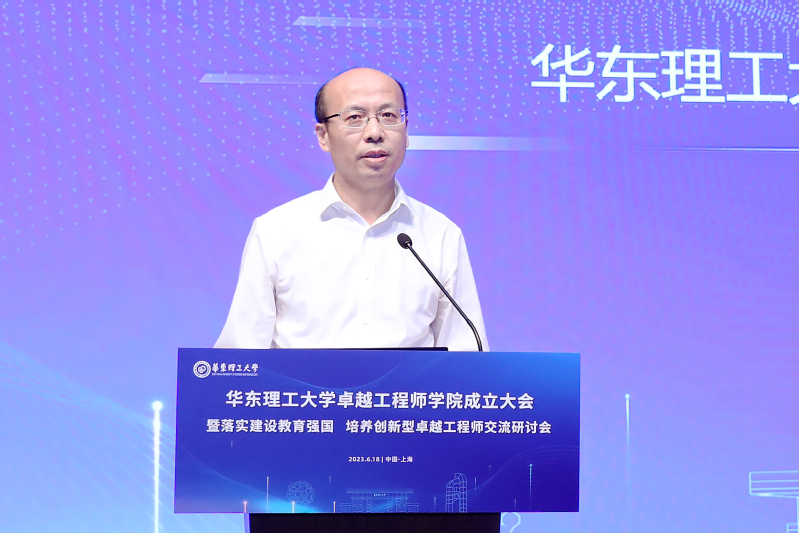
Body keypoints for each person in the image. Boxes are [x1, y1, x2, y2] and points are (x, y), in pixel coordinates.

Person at [214, 67, 488, 351]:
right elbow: (239, 358)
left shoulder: (440, 234)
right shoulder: (277, 231)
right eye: (354, 118)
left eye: (388, 115)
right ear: (323, 135)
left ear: (406, 131)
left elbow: (466, 356)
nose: (375, 132)